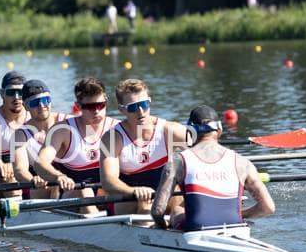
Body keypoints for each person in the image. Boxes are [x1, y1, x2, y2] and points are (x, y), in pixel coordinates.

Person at [151, 105, 275, 231]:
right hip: (236, 228)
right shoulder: (242, 162)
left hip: (195, 232)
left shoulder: (178, 161)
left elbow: (157, 210)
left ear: (190, 132)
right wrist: (240, 214)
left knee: (177, 209)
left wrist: (161, 229)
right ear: (219, 130)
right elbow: (268, 208)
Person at [100, 79, 190, 218]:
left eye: (144, 104)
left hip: (164, 196)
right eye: (133, 107)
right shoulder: (112, 138)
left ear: (150, 102)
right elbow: (108, 181)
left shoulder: (171, 130)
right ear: (121, 110)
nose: (141, 112)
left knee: (180, 197)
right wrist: (134, 191)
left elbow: (203, 153)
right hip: (129, 200)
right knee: (145, 204)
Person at [35, 77, 118, 215]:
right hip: (73, 194)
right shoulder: (62, 130)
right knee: (85, 191)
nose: (96, 111)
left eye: (101, 105)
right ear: (78, 106)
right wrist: (59, 177)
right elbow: (40, 163)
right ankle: (100, 224)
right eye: (90, 107)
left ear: (106, 101)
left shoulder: (117, 128)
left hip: (106, 194)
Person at [13, 79, 68, 199]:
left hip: (68, 183)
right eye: (35, 103)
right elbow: (19, 170)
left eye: (45, 100)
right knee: (49, 187)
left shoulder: (67, 121)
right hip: (39, 188)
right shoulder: (20, 135)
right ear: (26, 106)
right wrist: (33, 180)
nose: (42, 106)